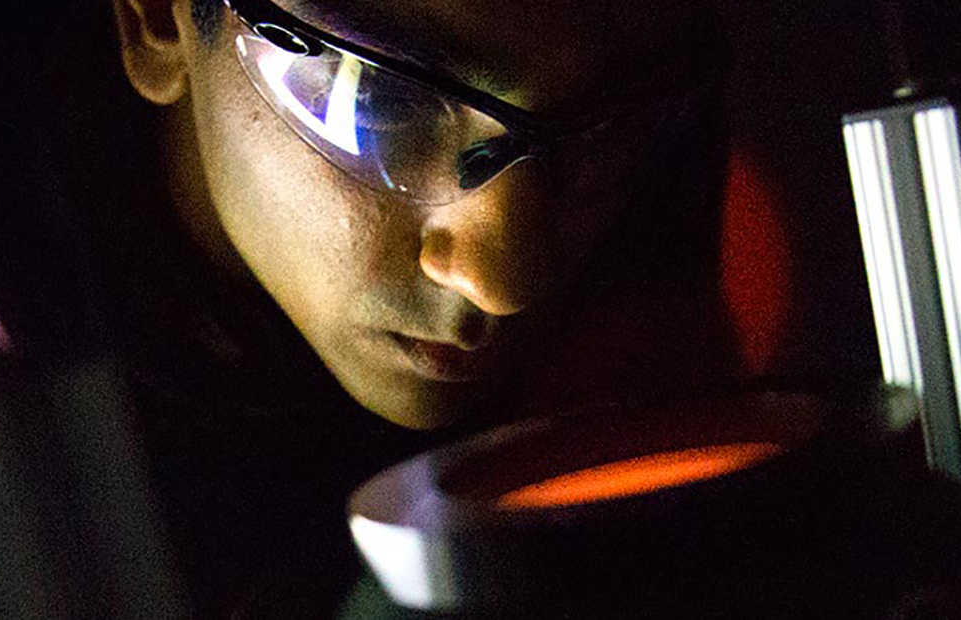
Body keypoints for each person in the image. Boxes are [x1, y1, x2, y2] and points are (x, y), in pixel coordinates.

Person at [83, 0, 777, 614]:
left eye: (606, 132)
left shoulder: (659, 210)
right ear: (155, 18)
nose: (502, 282)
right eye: (377, 103)